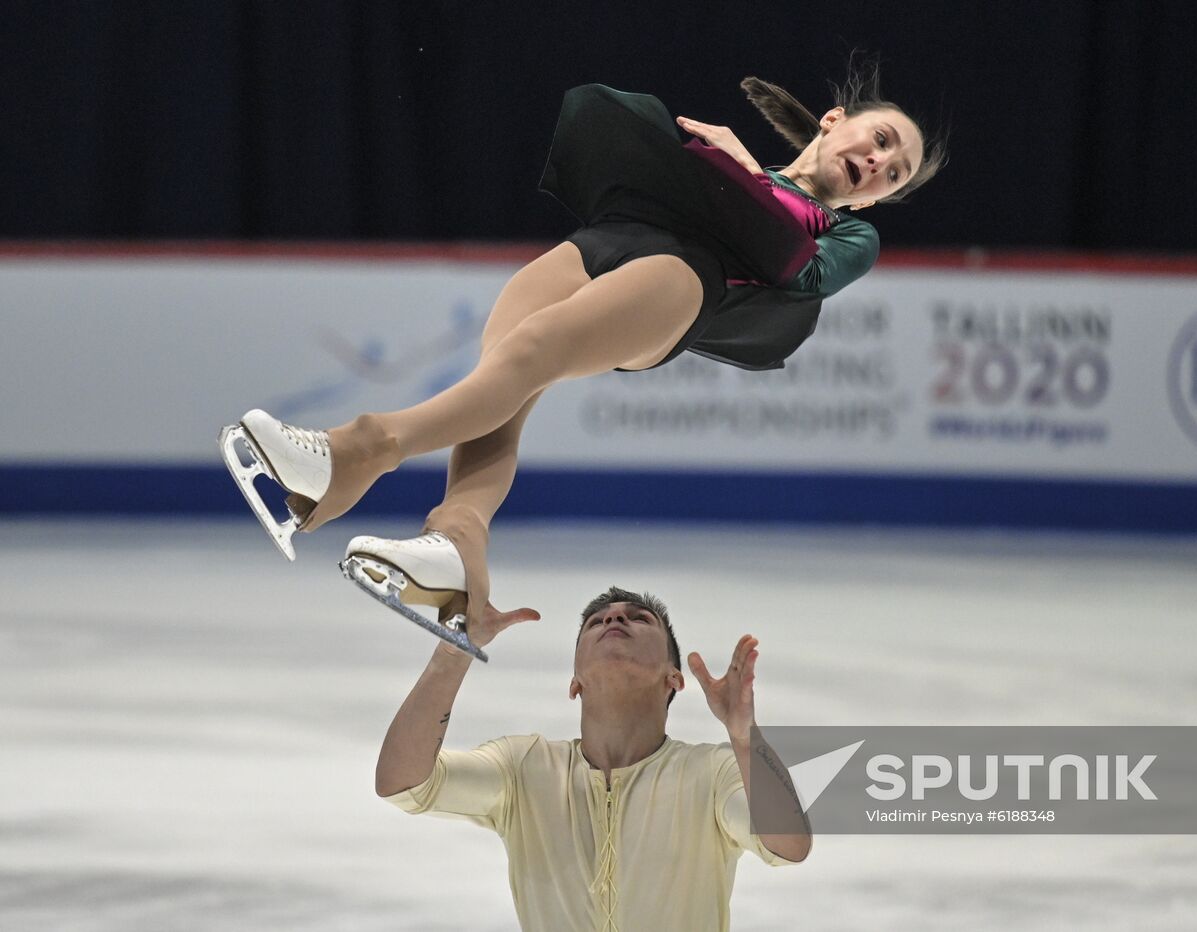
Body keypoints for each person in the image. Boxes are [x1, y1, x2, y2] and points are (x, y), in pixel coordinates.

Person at [219, 61, 945, 653]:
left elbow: (795, 271)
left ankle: (360, 448)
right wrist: (732, 168)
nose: (880, 163)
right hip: (608, 242)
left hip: (685, 282)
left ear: (878, 200)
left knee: (533, 351)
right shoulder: (738, 158)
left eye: (895, 174)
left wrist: (744, 169)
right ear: (834, 121)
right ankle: (455, 547)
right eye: (882, 141)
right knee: (501, 389)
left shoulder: (850, 236)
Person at [377, 586, 811, 932]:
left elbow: (790, 846)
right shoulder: (523, 768)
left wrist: (744, 738)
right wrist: (453, 652)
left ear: (674, 678)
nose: (615, 619)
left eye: (639, 618)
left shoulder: (712, 774)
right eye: (597, 622)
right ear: (575, 683)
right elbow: (403, 783)